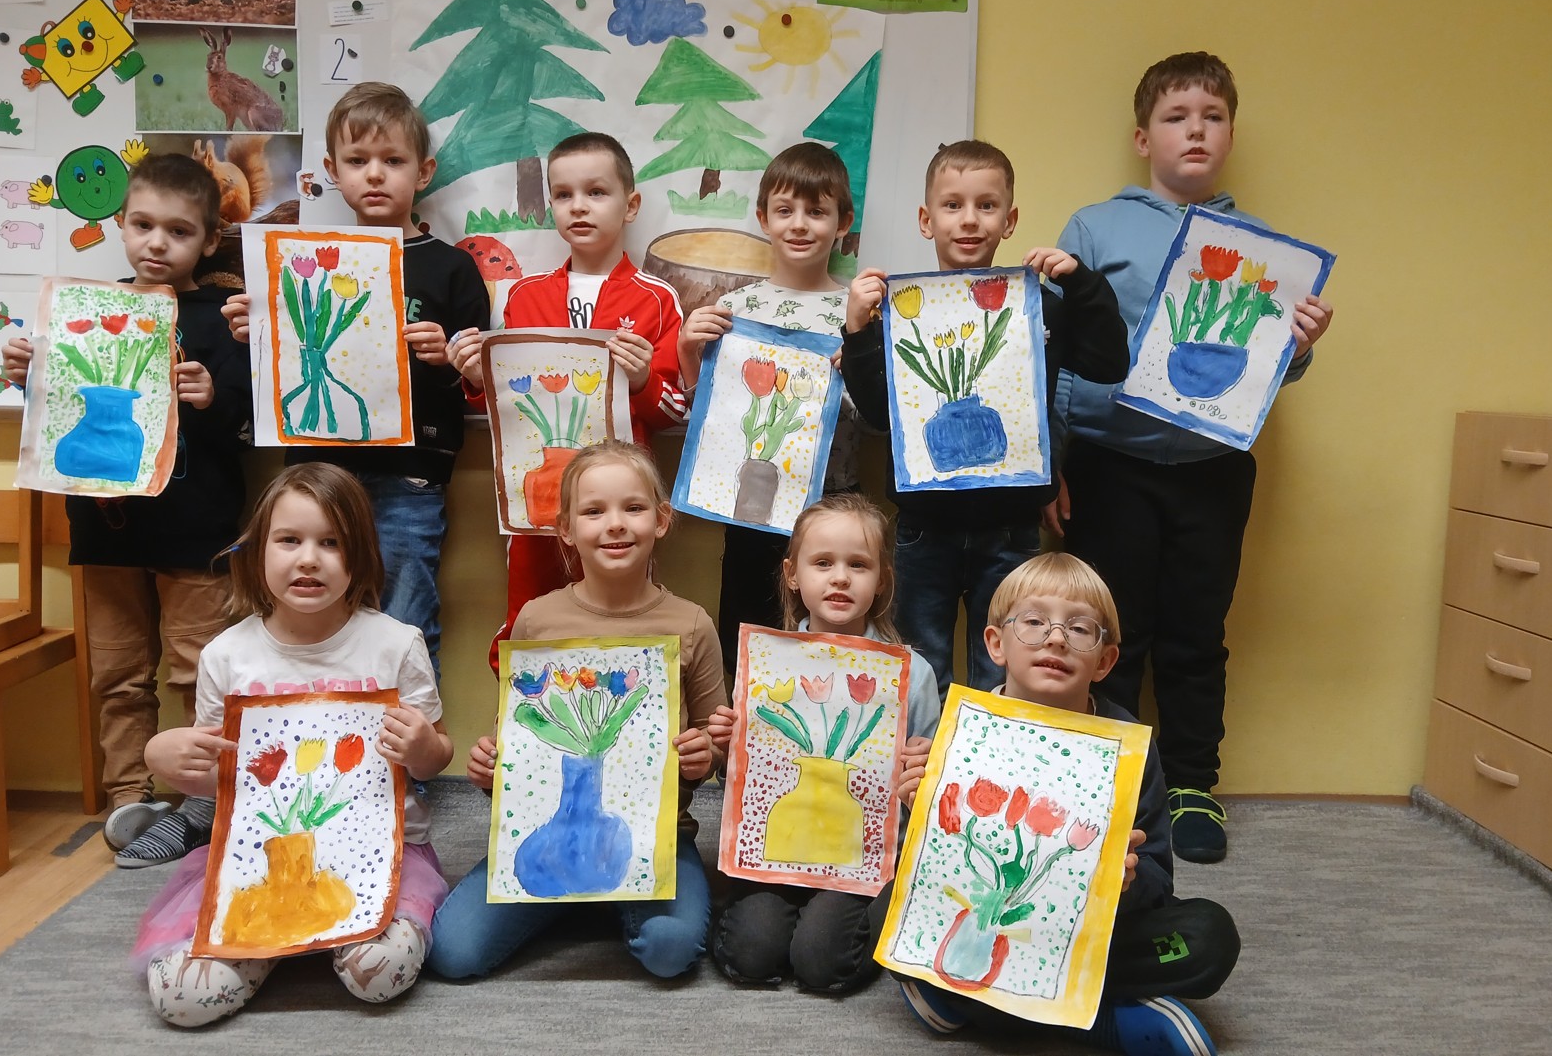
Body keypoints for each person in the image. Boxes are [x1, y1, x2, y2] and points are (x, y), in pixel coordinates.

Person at [1053, 52, 1334, 863]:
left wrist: (1299, 345)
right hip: (1107, 463)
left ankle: (1190, 785)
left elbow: (1265, 369)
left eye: (1211, 117)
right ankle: (1105, 782)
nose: (1195, 131)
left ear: (1230, 135)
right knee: (1107, 630)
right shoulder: (1095, 227)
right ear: (1144, 137)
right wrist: (1054, 464)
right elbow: (1054, 351)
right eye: (1176, 117)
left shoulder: (1262, 248)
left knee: (1194, 631)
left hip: (1211, 471)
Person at [131, 463, 454, 1027]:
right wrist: (163, 757)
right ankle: (281, 940)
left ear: (361, 556)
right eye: (289, 540)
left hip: (381, 857)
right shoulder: (227, 655)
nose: (309, 559)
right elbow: (219, 780)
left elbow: (433, 759)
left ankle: (318, 940)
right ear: (259, 551)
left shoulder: (396, 645)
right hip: (256, 862)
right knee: (181, 998)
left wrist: (424, 746)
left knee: (380, 974)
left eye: (331, 543)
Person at [1, 153, 251, 866]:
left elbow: (245, 425)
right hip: (107, 531)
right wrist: (28, 371)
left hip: (196, 533)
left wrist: (213, 397)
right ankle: (128, 798)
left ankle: (208, 796)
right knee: (117, 673)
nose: (156, 243)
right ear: (120, 223)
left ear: (209, 239)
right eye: (142, 225)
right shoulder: (84, 315)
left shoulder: (223, 320)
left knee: (200, 669)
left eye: (179, 230)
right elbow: (60, 415)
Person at [894, 553, 1240, 1056]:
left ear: (1105, 661)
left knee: (1207, 938)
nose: (1055, 638)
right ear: (996, 644)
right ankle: (1106, 1022)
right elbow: (932, 872)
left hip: (1085, 932)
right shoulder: (962, 729)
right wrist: (918, 803)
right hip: (987, 925)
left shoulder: (1128, 746)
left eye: (1079, 629)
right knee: (889, 908)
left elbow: (1158, 879)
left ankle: (957, 999)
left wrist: (1126, 881)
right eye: (1034, 622)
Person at [427, 441, 725, 981]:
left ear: (661, 520)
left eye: (633, 508)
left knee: (670, 951)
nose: (615, 524)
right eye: (593, 511)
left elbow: (716, 738)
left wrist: (705, 754)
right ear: (565, 528)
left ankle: (593, 901)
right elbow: (520, 742)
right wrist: (490, 770)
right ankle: (574, 895)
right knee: (453, 954)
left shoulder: (692, 623)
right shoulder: (537, 619)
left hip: (658, 838)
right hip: (550, 831)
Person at [842, 139, 1128, 700]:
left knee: (1006, 671)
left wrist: (1081, 284)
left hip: (1012, 526)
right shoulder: (897, 313)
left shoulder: (1041, 306)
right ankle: (923, 761)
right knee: (919, 668)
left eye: (987, 205)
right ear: (926, 220)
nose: (969, 219)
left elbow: (1109, 362)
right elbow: (877, 415)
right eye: (952, 205)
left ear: (1009, 220)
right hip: (924, 527)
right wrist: (857, 331)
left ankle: (991, 759)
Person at [224, 82, 489, 686]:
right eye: (357, 160)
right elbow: (274, 371)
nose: (375, 174)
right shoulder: (297, 259)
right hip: (315, 472)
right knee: (308, 620)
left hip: (409, 477)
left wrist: (449, 359)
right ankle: (320, 731)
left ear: (423, 172)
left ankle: (409, 746)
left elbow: (480, 379)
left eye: (393, 160)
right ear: (331, 171)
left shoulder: (451, 267)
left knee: (405, 616)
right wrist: (252, 336)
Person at [447, 134, 686, 670]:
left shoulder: (656, 297)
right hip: (538, 499)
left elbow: (675, 410)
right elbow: (509, 407)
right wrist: (477, 378)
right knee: (530, 618)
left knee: (621, 620)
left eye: (596, 192)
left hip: (620, 504)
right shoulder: (524, 295)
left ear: (630, 205)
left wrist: (644, 379)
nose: (579, 206)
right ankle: (524, 707)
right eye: (563, 194)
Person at [706, 493, 939, 992]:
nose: (840, 578)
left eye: (858, 565)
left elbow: (927, 799)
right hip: (778, 853)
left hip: (861, 860)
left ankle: (891, 903)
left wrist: (926, 771)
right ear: (793, 574)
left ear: (882, 580)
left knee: (822, 963)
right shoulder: (767, 665)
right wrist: (728, 752)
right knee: (752, 954)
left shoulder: (912, 674)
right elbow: (744, 788)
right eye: (823, 563)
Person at [678, 142, 867, 674]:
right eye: (785, 210)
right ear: (763, 218)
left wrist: (857, 361)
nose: (799, 224)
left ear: (843, 223)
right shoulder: (734, 308)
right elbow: (709, 417)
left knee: (832, 646)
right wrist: (688, 351)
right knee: (747, 640)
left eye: (817, 211)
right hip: (752, 504)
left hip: (834, 504)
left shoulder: (856, 311)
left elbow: (877, 416)